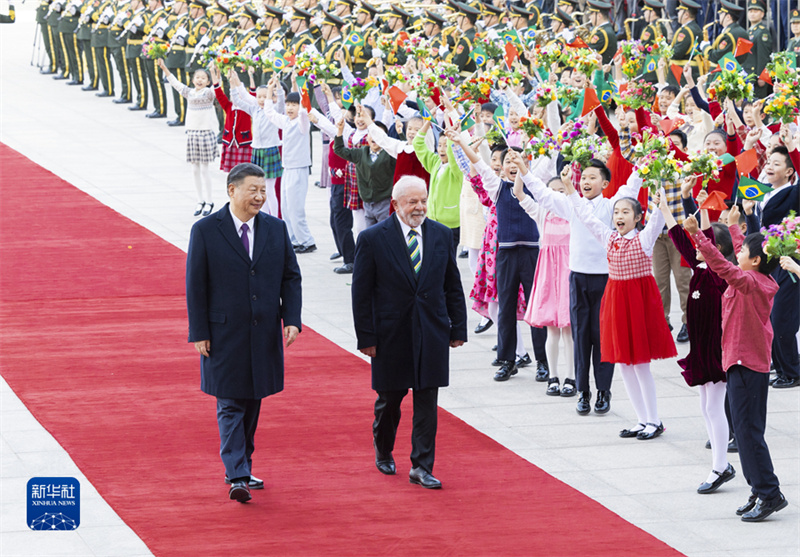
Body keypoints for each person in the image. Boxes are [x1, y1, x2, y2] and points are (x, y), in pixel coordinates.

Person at [186, 162, 302, 503]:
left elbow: (290, 277)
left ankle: (242, 463)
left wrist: (291, 318)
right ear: (231, 190)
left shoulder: (275, 229)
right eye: (253, 190)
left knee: (252, 401)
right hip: (224, 334)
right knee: (230, 402)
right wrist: (199, 331)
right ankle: (237, 473)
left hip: (263, 332)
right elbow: (196, 284)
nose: (260, 196)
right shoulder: (206, 230)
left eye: (263, 190)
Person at [351, 176, 467, 490]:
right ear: (396, 204)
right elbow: (361, 293)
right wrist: (367, 337)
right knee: (391, 398)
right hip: (390, 334)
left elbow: (452, 284)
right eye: (412, 202)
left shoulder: (441, 235)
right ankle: (383, 446)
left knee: (427, 400)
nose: (419, 207)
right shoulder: (373, 238)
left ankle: (421, 466)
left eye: (422, 200)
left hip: (432, 331)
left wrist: (457, 327)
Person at [685, 209, 788, 522]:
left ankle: (769, 493)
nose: (738, 251)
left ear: (754, 261)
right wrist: (733, 225)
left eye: (742, 251)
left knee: (748, 433)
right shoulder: (756, 275)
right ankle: (759, 488)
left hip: (747, 366)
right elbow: (747, 251)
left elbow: (725, 268)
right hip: (738, 363)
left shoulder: (749, 282)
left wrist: (698, 237)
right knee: (743, 433)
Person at [566, 176, 677, 439]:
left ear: (638, 217)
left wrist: (660, 196)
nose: (619, 215)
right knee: (624, 365)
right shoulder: (609, 237)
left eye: (625, 212)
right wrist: (570, 190)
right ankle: (641, 419)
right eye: (616, 211)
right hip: (616, 304)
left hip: (638, 305)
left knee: (640, 364)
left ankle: (654, 420)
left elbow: (657, 220)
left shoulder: (645, 239)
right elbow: (585, 215)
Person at [661, 184, 736, 493]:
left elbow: (703, 237)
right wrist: (665, 205)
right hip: (701, 349)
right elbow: (679, 235)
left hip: (717, 351)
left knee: (714, 407)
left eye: (704, 242)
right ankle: (721, 464)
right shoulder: (698, 267)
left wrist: (703, 214)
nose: (696, 245)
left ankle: (720, 466)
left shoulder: (721, 274)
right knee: (706, 407)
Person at [514, 175, 576, 397]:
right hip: (549, 275)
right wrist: (521, 171)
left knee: (568, 330)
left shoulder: (574, 212)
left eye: (561, 190)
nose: (556, 195)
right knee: (552, 330)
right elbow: (520, 194)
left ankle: (571, 377)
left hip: (569, 273)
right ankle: (553, 376)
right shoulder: (542, 213)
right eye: (551, 191)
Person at [263, 74, 317, 254]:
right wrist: (270, 89)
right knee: (285, 208)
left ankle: (307, 241)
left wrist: (296, 85)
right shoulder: (285, 121)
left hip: (299, 169)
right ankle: (294, 240)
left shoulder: (302, 123)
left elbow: (303, 111)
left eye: (293, 105)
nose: (290, 108)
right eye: (288, 104)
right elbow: (269, 112)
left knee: (295, 208)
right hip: (287, 168)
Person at [158, 57, 217, 215]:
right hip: (192, 134)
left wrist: (214, 71)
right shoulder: (189, 93)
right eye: (197, 77)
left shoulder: (209, 94)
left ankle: (210, 201)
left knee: (204, 169)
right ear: (192, 79)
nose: (200, 80)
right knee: (194, 170)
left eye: (203, 78)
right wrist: (165, 69)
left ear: (208, 81)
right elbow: (176, 84)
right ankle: (200, 200)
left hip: (205, 133)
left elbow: (218, 86)